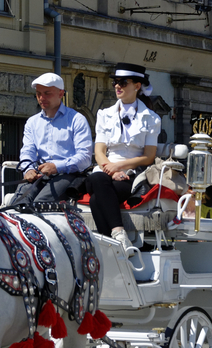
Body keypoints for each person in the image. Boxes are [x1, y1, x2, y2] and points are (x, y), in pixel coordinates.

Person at [88, 63, 162, 253]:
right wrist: (111, 169)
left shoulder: (151, 118)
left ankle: (109, 246)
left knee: (97, 199)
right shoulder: (105, 114)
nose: (117, 86)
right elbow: (99, 152)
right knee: (96, 178)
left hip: (131, 174)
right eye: (115, 82)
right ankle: (119, 233)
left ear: (137, 86)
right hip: (105, 171)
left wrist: (120, 167)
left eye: (123, 82)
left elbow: (148, 156)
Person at [13, 72, 93, 205]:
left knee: (41, 204)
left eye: (47, 93)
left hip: (68, 175)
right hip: (40, 174)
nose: (41, 97)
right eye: (38, 93)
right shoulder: (32, 122)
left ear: (61, 94)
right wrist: (28, 170)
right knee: (17, 204)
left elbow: (84, 158)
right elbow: (27, 151)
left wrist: (57, 166)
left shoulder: (77, 120)